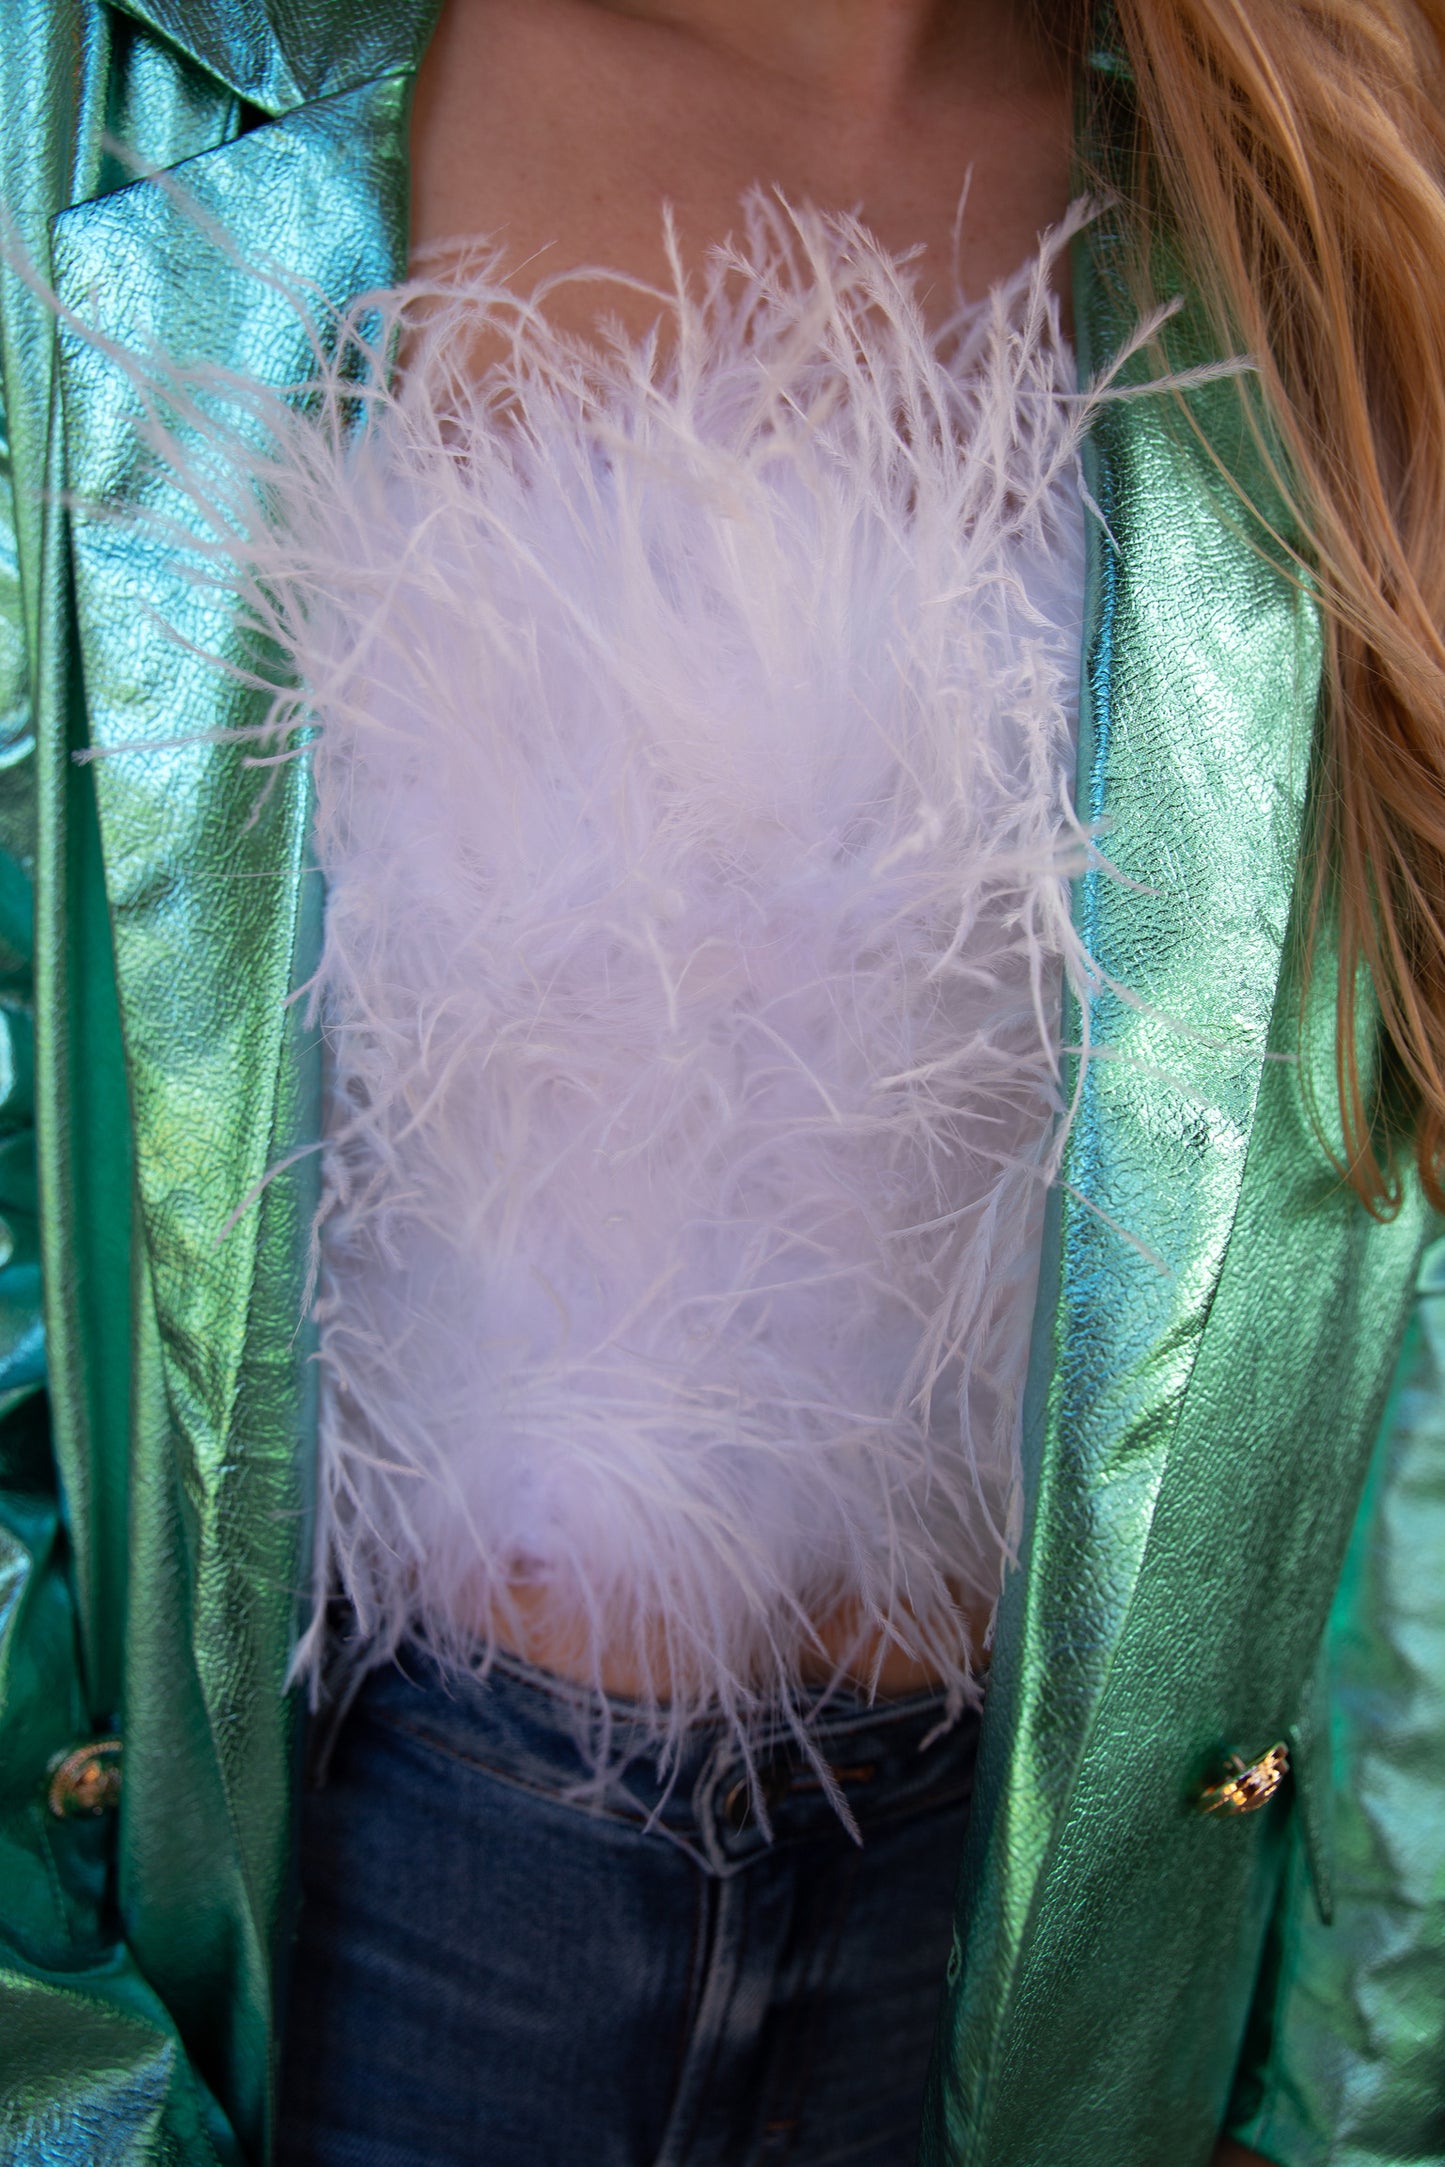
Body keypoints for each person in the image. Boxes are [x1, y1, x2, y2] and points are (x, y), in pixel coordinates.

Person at [0, 2, 1442, 2163]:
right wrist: (61, 2076)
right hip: (350, 1932)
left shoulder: (1346, 161)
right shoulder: (103, 83)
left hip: (1056, 1985)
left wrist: (1361, 2094)